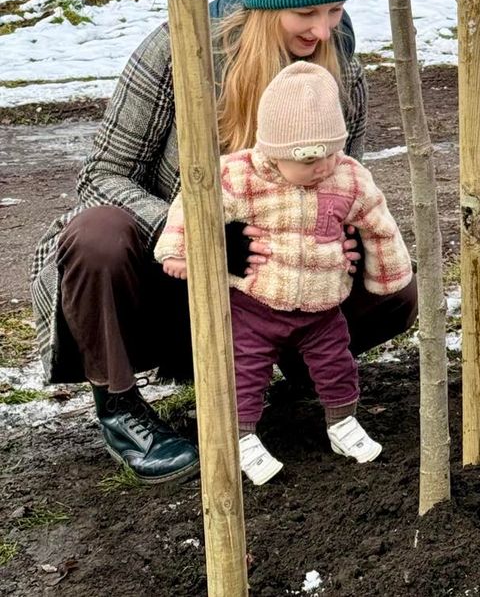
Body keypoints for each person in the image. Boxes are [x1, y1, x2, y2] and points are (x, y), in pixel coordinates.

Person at [29, 0, 419, 483]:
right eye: (306, 14)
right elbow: (99, 176)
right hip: (176, 286)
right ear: (268, 3)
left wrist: (337, 236)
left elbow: (343, 179)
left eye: (334, 10)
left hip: (278, 279)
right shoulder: (180, 49)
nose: (323, 28)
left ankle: (285, 367)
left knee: (393, 287)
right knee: (95, 235)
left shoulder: (339, 60)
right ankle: (120, 406)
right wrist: (200, 234)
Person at [155, 62, 412, 485]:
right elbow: (192, 203)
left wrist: (387, 276)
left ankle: (342, 422)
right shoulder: (239, 176)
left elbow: (378, 223)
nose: (323, 166)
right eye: (310, 159)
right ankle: (240, 436)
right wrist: (181, 251)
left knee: (337, 364)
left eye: (331, 153)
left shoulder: (348, 178)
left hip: (322, 306)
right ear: (274, 150)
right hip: (254, 304)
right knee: (243, 369)